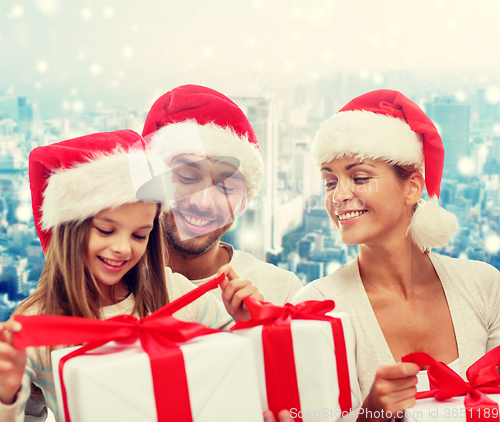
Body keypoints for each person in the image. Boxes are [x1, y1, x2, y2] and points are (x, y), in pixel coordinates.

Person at [0, 130, 261, 422]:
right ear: (68, 229)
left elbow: (240, 375)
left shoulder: (177, 294)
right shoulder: (37, 326)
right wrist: (6, 395)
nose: (123, 248)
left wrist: (249, 325)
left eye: (139, 235)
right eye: (106, 230)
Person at [293, 89, 500, 420]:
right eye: (330, 182)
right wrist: (371, 414)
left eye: (359, 177)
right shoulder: (316, 308)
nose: (339, 195)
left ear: (413, 187)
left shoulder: (485, 286)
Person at [142, 84, 303, 306]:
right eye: (187, 177)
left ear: (244, 202)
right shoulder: (104, 281)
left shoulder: (281, 292)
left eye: (226, 187)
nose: (203, 202)